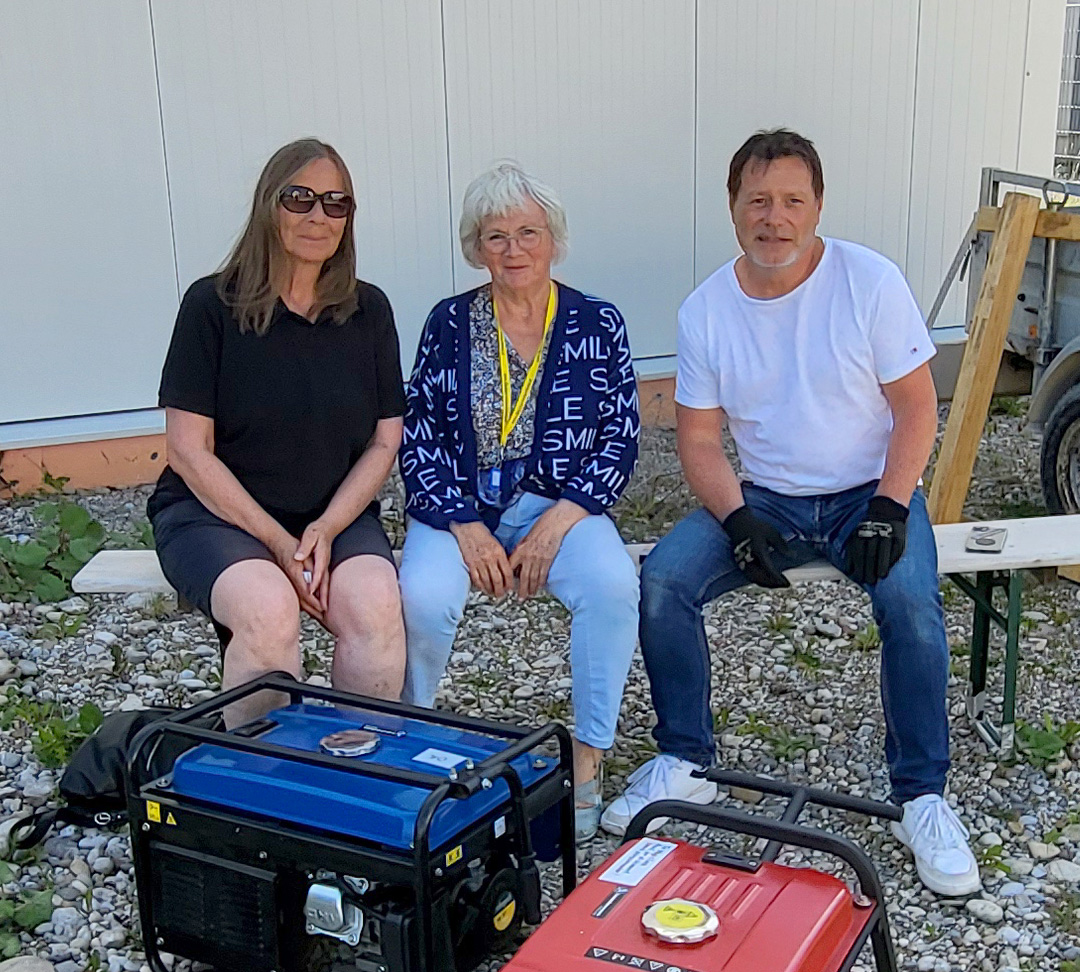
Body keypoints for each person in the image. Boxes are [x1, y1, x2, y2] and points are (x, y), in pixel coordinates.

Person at [602, 129, 979, 898]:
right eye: (758, 201)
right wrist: (736, 518)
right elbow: (698, 440)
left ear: (818, 206)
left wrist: (890, 505)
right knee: (665, 579)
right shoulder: (707, 310)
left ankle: (922, 796)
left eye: (792, 201)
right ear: (733, 207)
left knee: (911, 604)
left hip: (866, 493)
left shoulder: (868, 281)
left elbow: (916, 407)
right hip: (766, 497)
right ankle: (685, 758)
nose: (774, 218)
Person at [398, 162, 640, 842]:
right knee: (423, 596)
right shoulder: (448, 323)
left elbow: (620, 437)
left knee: (612, 586)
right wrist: (465, 526)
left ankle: (587, 759)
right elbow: (419, 437)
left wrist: (561, 520)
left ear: (553, 239)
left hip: (560, 506)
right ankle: (408, 741)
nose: (514, 250)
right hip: (459, 508)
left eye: (528, 232)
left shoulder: (596, 322)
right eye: (496, 236)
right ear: (476, 247)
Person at [147, 138, 407, 726]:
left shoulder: (368, 310)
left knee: (375, 606)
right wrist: (277, 542)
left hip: (331, 515)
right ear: (270, 204)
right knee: (267, 612)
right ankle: (261, 776)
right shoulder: (211, 305)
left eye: (336, 203)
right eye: (300, 198)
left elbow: (384, 441)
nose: (319, 215)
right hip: (213, 515)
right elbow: (188, 450)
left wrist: (325, 527)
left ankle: (359, 766)